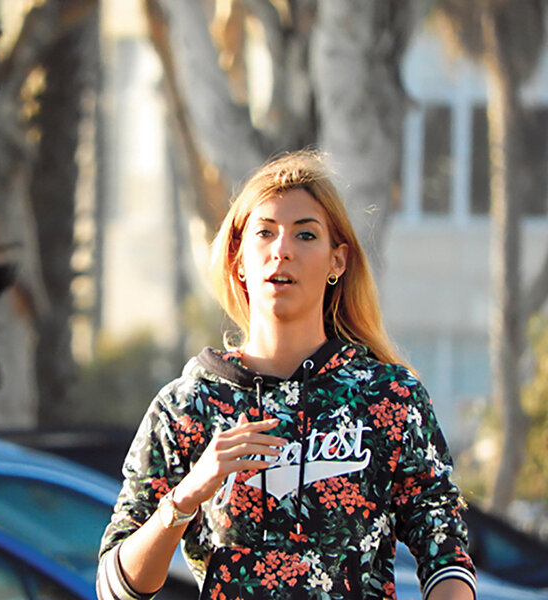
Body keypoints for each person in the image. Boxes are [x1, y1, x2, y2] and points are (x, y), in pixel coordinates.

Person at [97, 151, 476, 600]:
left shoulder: (388, 397)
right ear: (239, 259)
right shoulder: (187, 405)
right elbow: (115, 588)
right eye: (265, 232)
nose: (282, 250)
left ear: (337, 261)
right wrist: (186, 497)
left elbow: (447, 556)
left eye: (305, 234)